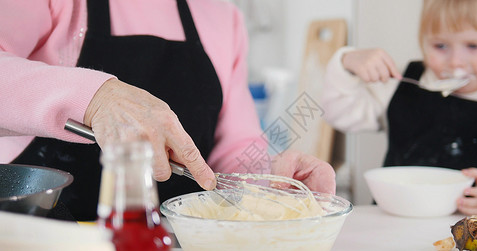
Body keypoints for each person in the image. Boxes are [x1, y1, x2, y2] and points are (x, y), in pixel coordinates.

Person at [0, 0, 336, 221]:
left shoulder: (223, 16)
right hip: (40, 250)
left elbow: (232, 151)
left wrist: (266, 184)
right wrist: (96, 98)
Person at [322, 0, 477, 215]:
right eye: (440, 46)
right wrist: (346, 64)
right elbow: (337, 113)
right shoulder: (401, 82)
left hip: (473, 234)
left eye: (473, 46)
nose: (455, 62)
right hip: (390, 223)